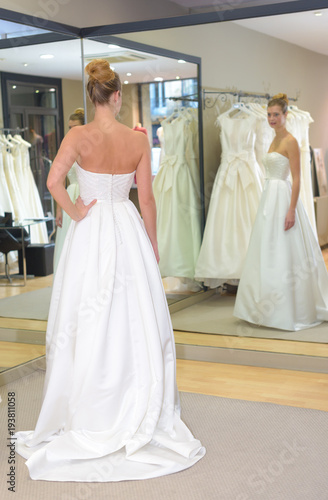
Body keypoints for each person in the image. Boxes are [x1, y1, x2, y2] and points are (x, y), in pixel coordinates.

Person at [15, 59, 205, 482]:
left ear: (92, 96)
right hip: (127, 228)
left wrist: (77, 210)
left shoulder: (78, 136)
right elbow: (149, 201)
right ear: (116, 96)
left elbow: (53, 183)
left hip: (91, 230)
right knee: (132, 314)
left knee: (87, 313)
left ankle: (90, 402)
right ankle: (132, 396)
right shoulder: (136, 141)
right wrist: (152, 244)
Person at [234, 93, 328, 331]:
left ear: (286, 115)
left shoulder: (290, 140)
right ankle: (261, 307)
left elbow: (297, 179)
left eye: (276, 115)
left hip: (283, 197)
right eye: (269, 115)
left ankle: (289, 309)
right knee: (266, 248)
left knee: (284, 249)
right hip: (269, 196)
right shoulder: (272, 139)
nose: (271, 119)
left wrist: (291, 209)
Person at [53, 108, 84, 272]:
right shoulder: (66, 147)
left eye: (75, 127)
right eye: (69, 127)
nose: (71, 131)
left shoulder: (90, 145)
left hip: (86, 195)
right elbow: (60, 180)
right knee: (67, 238)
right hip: (69, 195)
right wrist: (59, 209)